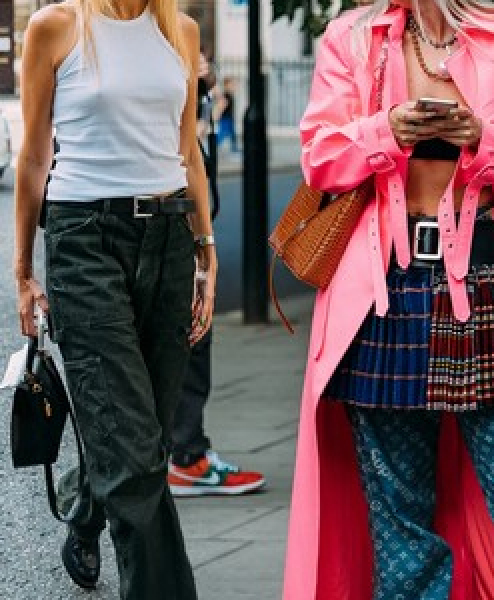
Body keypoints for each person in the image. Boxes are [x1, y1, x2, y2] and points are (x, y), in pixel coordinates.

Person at [282, 0, 494, 598]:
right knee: (401, 533)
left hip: (487, 285)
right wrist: (386, 131)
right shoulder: (353, 37)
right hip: (384, 297)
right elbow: (320, 160)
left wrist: (485, 138)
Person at [14, 0, 216, 595]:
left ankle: (84, 506)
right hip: (85, 241)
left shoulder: (179, 28)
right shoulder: (58, 26)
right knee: (133, 455)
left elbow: (188, 151)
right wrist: (23, 271)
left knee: (141, 436)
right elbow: (32, 157)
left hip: (170, 239)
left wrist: (206, 248)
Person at [168, 58, 265, 498]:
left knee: (188, 343)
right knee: (190, 340)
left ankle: (180, 455)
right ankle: (186, 458)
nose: (203, 59)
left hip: (184, 228)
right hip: (176, 231)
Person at [214, 76, 239, 153]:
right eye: (232, 85)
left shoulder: (229, 95)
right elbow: (221, 105)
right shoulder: (226, 95)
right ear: (227, 85)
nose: (234, 86)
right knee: (222, 134)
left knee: (232, 134)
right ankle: (212, 145)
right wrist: (217, 115)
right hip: (225, 119)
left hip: (229, 118)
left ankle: (234, 149)